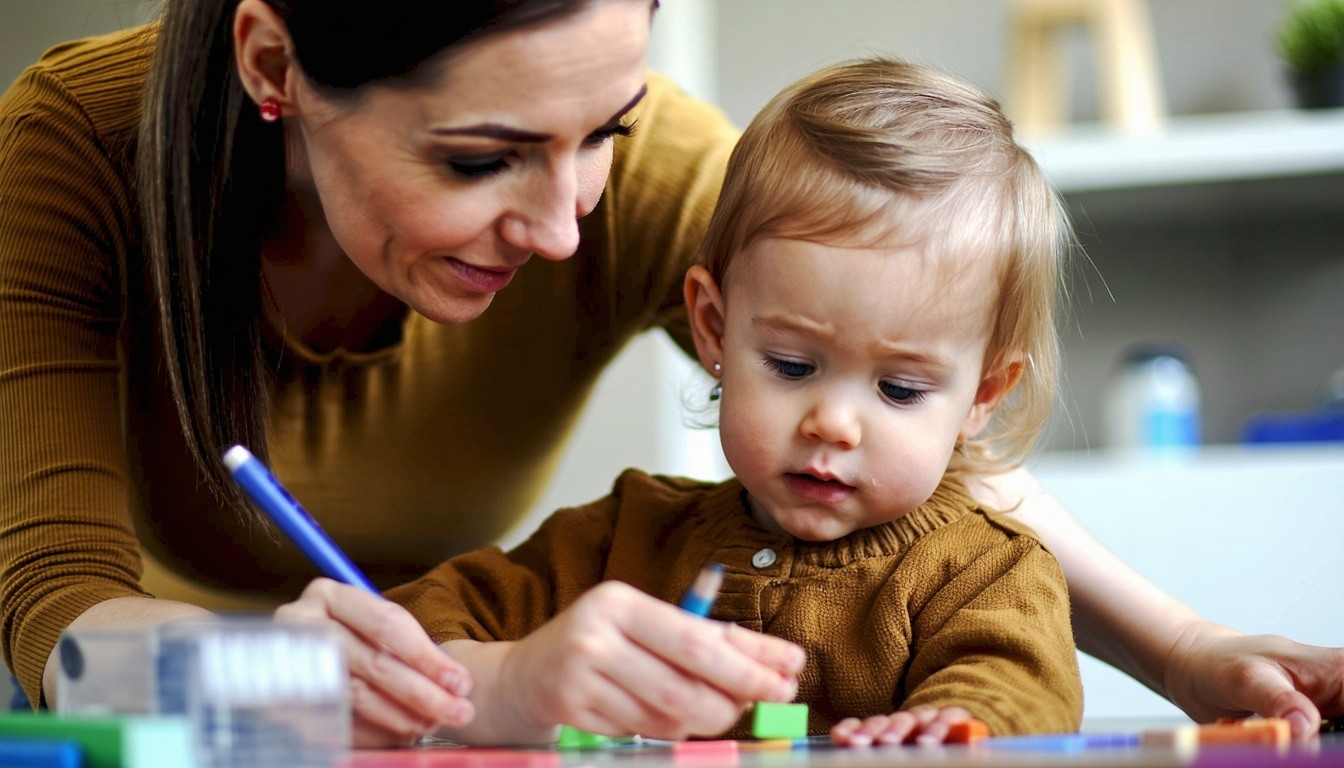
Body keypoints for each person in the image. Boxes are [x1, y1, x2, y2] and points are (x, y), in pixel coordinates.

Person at [0, 0, 1339, 747]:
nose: (570, 223)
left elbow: (914, 410)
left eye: (608, 135)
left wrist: (1187, 647)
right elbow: (62, 638)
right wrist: (457, 682)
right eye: (480, 159)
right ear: (274, 62)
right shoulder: (69, 161)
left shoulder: (663, 189)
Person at [381, 55, 1084, 746]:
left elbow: (1018, 685)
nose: (833, 424)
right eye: (791, 365)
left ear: (981, 396)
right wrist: (499, 673)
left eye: (898, 389)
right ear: (712, 328)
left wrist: (953, 725)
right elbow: (417, 620)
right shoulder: (622, 538)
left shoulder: (989, 571)